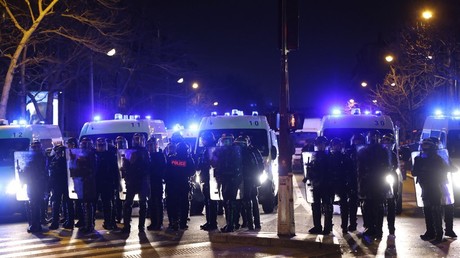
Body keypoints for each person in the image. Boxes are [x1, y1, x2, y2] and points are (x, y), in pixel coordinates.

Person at [413, 138, 450, 243]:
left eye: (427, 146)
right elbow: (414, 172)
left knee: (436, 210)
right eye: (424, 145)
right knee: (428, 211)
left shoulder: (437, 159)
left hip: (435, 187)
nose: (425, 148)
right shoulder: (418, 159)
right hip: (425, 187)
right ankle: (430, 232)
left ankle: (438, 234)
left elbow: (445, 170)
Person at [357, 130, 392, 241]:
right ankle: (372, 228)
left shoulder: (382, 151)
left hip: (377, 182)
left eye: (375, 137)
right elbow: (360, 168)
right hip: (370, 182)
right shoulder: (365, 150)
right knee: (369, 206)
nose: (374, 139)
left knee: (377, 207)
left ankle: (377, 229)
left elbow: (387, 167)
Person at [212, 134, 242, 233]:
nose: (226, 143)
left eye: (228, 141)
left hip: (228, 179)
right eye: (225, 141)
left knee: (229, 203)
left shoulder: (228, 151)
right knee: (230, 202)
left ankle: (231, 225)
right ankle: (232, 224)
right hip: (230, 179)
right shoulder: (234, 151)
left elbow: (214, 162)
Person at [121, 133, 151, 233]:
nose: (138, 141)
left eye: (139, 139)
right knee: (128, 204)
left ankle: (141, 226)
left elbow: (148, 167)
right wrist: (127, 178)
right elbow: (125, 166)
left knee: (142, 204)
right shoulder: (129, 151)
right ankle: (126, 226)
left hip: (141, 181)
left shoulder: (145, 152)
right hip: (133, 181)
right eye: (136, 139)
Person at [428, 137, 457, 238]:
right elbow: (450, 168)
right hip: (437, 184)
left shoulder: (442, 155)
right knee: (437, 208)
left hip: (443, 183)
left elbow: (451, 167)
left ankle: (445, 230)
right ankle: (439, 231)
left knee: (447, 206)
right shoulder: (433, 157)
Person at [164, 142, 195, 230]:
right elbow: (192, 172)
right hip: (183, 183)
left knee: (173, 204)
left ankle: (173, 222)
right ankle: (183, 223)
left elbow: (166, 171)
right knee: (184, 204)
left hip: (172, 184)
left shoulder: (171, 159)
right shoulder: (189, 159)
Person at [305, 136, 331, 234]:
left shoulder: (329, 156)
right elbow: (310, 171)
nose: (320, 146)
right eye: (318, 144)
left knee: (327, 207)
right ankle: (317, 226)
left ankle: (327, 227)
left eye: (322, 144)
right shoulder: (314, 156)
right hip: (316, 185)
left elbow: (330, 171)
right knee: (315, 207)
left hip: (326, 186)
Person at [20, 140, 48, 233]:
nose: (34, 148)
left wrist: (23, 171)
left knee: (35, 205)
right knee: (34, 205)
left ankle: (35, 225)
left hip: (36, 184)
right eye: (33, 147)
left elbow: (37, 171)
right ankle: (36, 224)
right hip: (34, 184)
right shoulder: (39, 157)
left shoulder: (39, 158)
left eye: (36, 147)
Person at [328, 137, 354, 234]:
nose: (336, 147)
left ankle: (344, 226)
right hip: (331, 183)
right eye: (335, 145)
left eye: (338, 145)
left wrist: (349, 183)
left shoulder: (345, 158)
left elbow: (350, 171)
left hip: (342, 183)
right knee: (328, 205)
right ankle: (328, 225)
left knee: (344, 206)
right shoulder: (329, 158)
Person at [94, 137, 119, 230]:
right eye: (99, 145)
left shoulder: (110, 155)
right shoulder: (94, 154)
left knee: (108, 204)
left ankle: (109, 222)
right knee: (93, 203)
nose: (101, 147)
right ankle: (90, 223)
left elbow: (115, 170)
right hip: (96, 182)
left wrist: (115, 183)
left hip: (107, 182)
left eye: (102, 145)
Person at [197, 131, 219, 231]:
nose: (202, 141)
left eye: (203, 139)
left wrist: (201, 165)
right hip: (206, 178)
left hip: (210, 179)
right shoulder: (207, 149)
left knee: (211, 202)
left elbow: (210, 164)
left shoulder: (211, 149)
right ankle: (209, 221)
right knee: (207, 201)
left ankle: (212, 222)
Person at [48, 145, 73, 230]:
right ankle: (66, 221)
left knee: (62, 203)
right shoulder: (58, 159)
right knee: (63, 203)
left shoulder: (61, 160)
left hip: (61, 184)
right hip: (61, 184)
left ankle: (60, 221)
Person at [76, 137, 97, 233]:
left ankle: (89, 225)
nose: (83, 146)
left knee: (88, 204)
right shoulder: (85, 154)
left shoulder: (91, 155)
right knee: (86, 204)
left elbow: (92, 169)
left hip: (89, 182)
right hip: (84, 182)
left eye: (85, 144)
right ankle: (88, 224)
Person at [146, 136, 167, 231]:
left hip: (157, 181)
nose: (150, 147)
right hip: (149, 181)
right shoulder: (147, 155)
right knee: (150, 203)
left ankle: (159, 223)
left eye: (151, 145)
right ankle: (153, 222)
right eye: (149, 145)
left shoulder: (160, 155)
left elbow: (162, 168)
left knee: (158, 202)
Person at [346, 133, 365, 232]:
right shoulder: (349, 152)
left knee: (365, 204)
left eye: (359, 140)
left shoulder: (365, 151)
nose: (357, 142)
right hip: (353, 180)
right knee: (352, 205)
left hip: (363, 180)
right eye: (356, 140)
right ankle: (352, 224)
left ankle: (367, 224)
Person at [381, 133, 399, 236]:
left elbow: (395, 165)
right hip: (380, 180)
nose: (387, 144)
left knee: (391, 205)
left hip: (391, 180)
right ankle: (377, 228)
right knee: (378, 206)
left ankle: (391, 228)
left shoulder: (393, 154)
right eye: (385, 141)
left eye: (389, 142)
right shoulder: (378, 153)